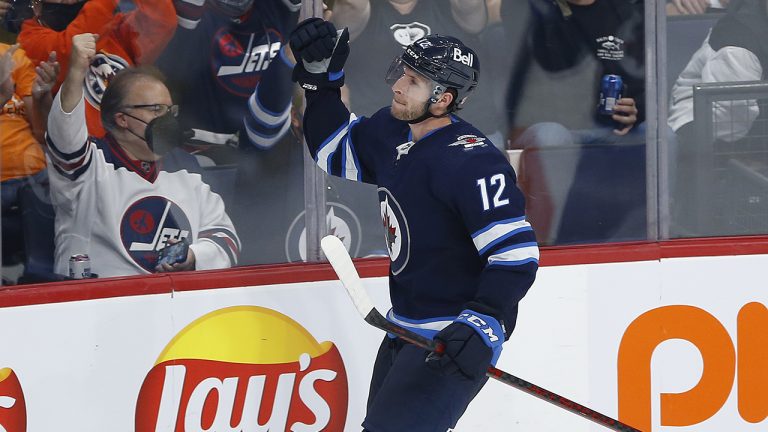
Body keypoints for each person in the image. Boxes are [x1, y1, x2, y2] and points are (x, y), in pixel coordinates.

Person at [290, 18, 539, 431]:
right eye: (402, 74)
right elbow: (332, 149)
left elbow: (515, 255)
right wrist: (320, 83)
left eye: (413, 81)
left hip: (452, 337)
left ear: (443, 98)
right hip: (402, 329)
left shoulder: (474, 162)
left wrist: (483, 322)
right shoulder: (394, 132)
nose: (397, 87)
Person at [46, 33, 240, 278]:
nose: (167, 119)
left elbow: (224, 236)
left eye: (170, 110)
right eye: (156, 109)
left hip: (176, 304)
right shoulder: (87, 166)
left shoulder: (187, 167)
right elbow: (64, 135)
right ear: (122, 118)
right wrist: (75, 74)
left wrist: (193, 257)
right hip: (100, 305)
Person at [512, 0, 647, 245]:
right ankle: (546, 244)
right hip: (549, 125)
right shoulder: (534, 9)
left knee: (660, 136)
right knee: (550, 136)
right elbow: (520, 89)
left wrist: (635, 110)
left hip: (608, 128)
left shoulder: (626, 11)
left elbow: (645, 83)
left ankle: (645, 241)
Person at [16, 0, 177, 137]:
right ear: (35, 4)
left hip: (134, 147)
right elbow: (68, 51)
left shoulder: (112, 27)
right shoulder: (29, 40)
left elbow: (162, 21)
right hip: (82, 158)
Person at [156, 0, 300, 150]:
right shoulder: (191, 13)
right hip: (196, 147)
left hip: (266, 149)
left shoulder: (280, 9)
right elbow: (170, 67)